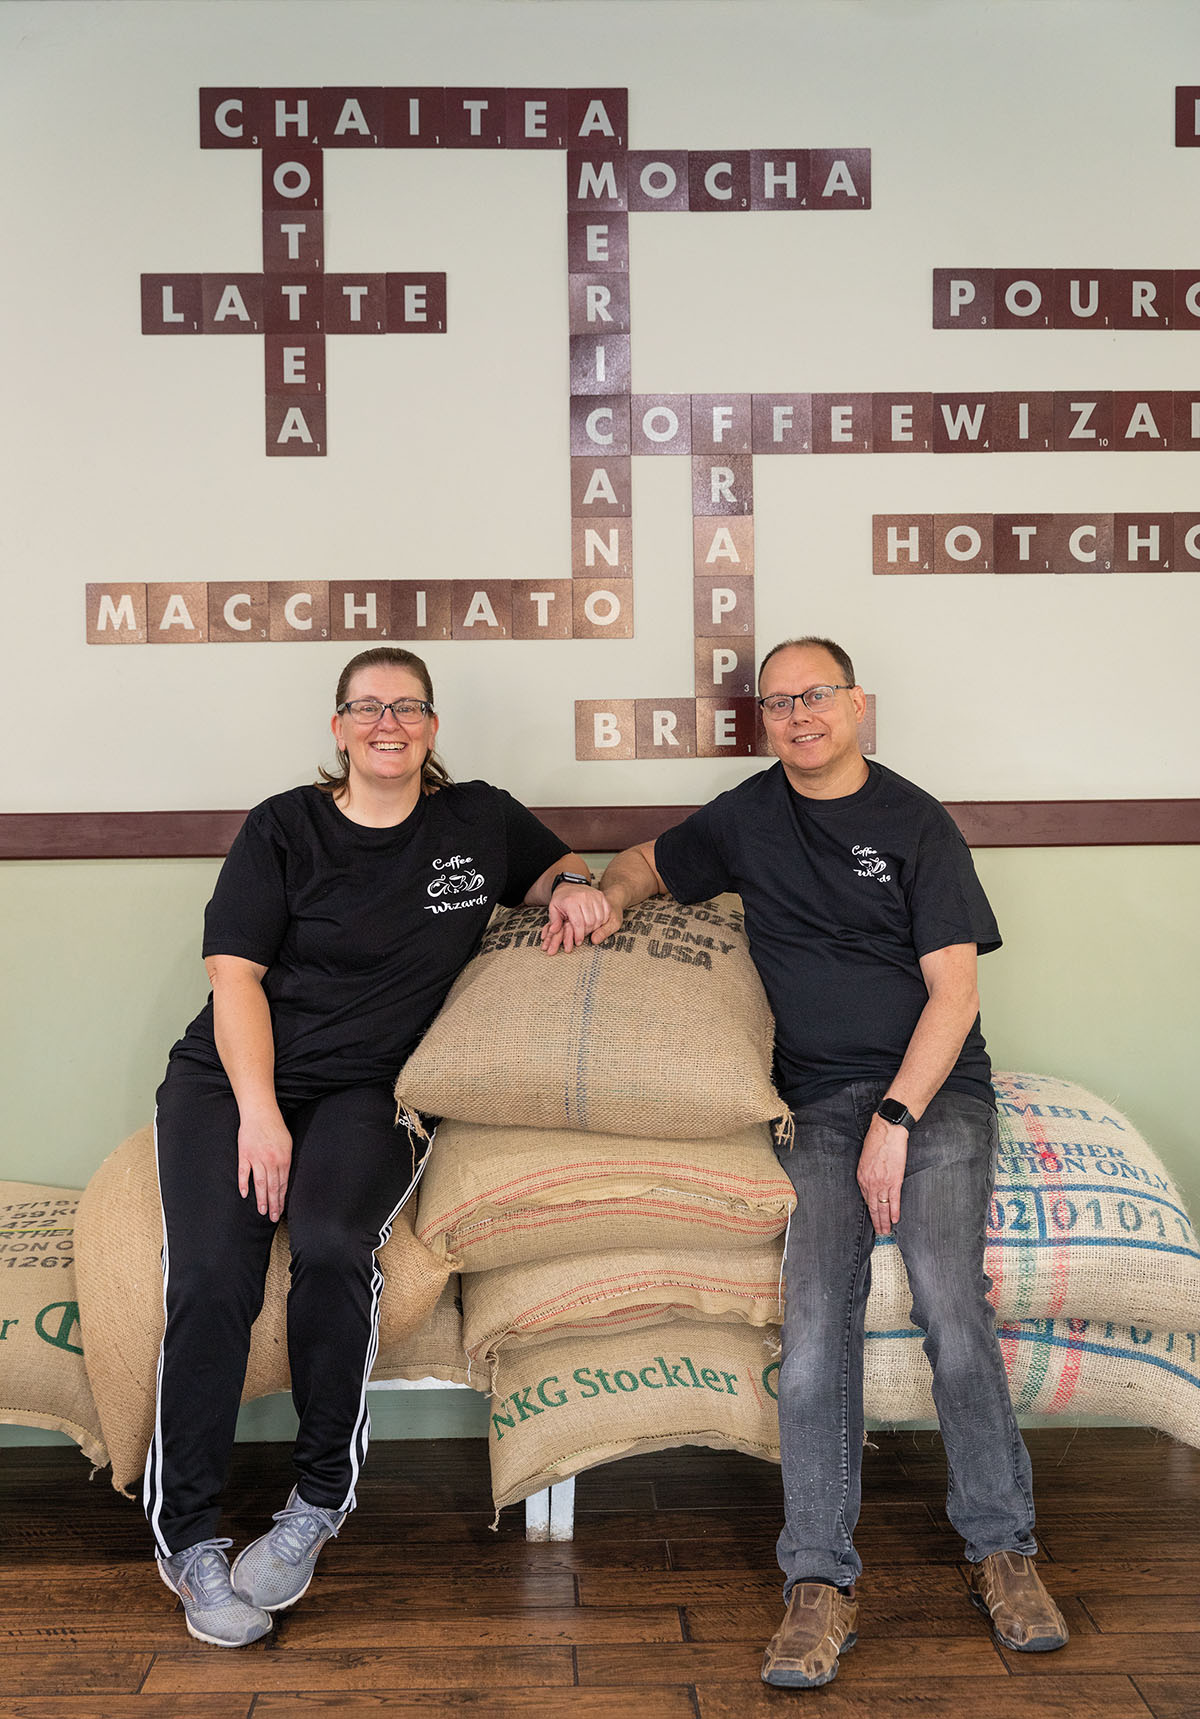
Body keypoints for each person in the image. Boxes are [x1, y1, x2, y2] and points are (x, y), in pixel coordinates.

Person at [575, 636, 1068, 1690]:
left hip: (931, 1097)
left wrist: (897, 1114)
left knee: (949, 1299)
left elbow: (956, 995)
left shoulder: (915, 821)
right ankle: (818, 1583)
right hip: (816, 1108)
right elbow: (646, 865)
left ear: (859, 706)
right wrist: (602, 898)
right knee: (812, 1324)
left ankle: (1002, 1551)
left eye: (819, 697)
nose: (800, 715)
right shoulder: (748, 814)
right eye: (780, 700)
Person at [146, 646, 607, 1647]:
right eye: (367, 707)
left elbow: (555, 867)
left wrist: (573, 883)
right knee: (216, 1272)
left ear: (432, 728)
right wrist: (259, 1115)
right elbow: (235, 981)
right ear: (338, 727)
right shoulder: (283, 827)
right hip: (232, 1078)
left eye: (407, 707)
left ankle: (316, 1501)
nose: (387, 722)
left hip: (368, 1092)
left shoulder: (475, 819)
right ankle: (186, 1535)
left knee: (327, 1243)